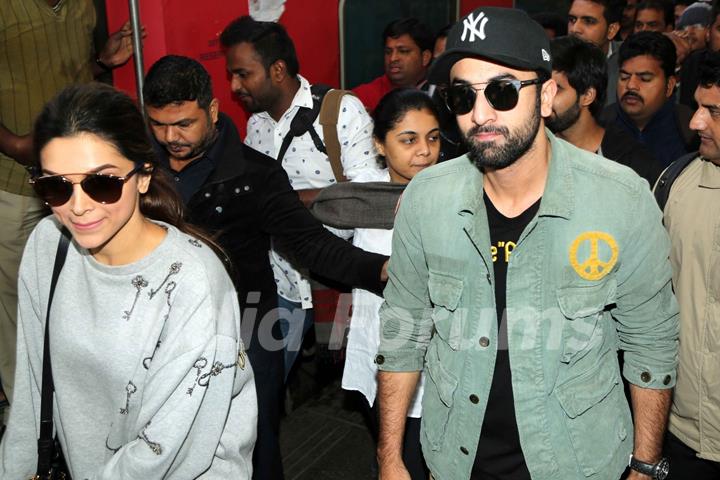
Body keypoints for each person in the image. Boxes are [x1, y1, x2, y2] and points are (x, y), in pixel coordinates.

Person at [375, 7, 679, 480]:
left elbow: (652, 344)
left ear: (547, 96)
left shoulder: (620, 199)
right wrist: (390, 458)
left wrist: (644, 465)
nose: (480, 115)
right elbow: (403, 334)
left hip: (578, 464)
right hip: (454, 461)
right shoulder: (425, 200)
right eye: (462, 96)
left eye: (502, 91)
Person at [142, 55, 388, 480]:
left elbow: (311, 244)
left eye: (183, 124)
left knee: (254, 441)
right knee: (167, 439)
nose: (169, 137)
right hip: (160, 327)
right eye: (158, 124)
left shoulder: (255, 176)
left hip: (246, 324)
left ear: (212, 111)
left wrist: (381, 270)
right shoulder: (139, 167)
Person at [0, 83, 257, 478]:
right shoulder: (49, 243)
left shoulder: (195, 282)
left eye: (101, 183)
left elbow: (167, 448)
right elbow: (32, 388)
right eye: (56, 185)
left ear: (142, 176)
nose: (78, 206)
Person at [221, 16, 382, 384]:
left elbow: (369, 195)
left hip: (338, 281)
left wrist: (287, 202)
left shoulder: (340, 112)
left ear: (277, 70)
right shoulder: (256, 126)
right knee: (261, 384)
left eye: (243, 74)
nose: (234, 86)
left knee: (363, 381)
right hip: (282, 283)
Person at [0, 0, 140, 420]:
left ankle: (83, 402)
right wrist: (15, 144)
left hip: (80, 180)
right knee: (13, 296)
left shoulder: (83, 5)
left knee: (81, 287)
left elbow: (74, 73)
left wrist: (101, 61)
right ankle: (25, 408)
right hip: (12, 181)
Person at [316, 89, 440, 480]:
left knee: (428, 454)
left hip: (438, 349)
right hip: (377, 343)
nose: (424, 151)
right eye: (409, 139)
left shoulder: (454, 190)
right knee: (390, 447)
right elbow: (326, 248)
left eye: (433, 137)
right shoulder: (361, 195)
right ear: (379, 145)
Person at [660, 51, 720, 479]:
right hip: (683, 434)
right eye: (697, 106)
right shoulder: (675, 183)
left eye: (713, 111)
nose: (696, 122)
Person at [548, 35, 663, 184]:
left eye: (556, 89)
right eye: (542, 88)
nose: (544, 98)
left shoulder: (632, 167)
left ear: (587, 96)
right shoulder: (533, 150)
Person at [603, 31, 697, 167]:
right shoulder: (599, 125)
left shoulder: (692, 131)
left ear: (669, 85)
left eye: (645, 79)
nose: (631, 86)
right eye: (624, 77)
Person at [352, 18, 434, 112]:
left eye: (403, 51)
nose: (393, 58)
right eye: (388, 52)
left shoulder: (441, 94)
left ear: (425, 57)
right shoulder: (362, 98)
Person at [568, 0, 626, 105]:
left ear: (611, 30)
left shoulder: (630, 61)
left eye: (588, 21)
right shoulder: (551, 59)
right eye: (572, 20)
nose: (575, 29)